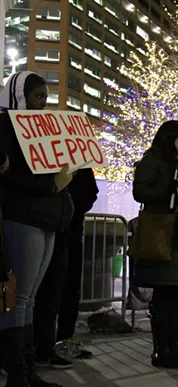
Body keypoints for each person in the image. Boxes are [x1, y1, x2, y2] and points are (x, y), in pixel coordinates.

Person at [0, 71, 74, 386]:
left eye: (45, 97)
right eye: (37, 96)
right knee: (18, 298)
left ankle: (28, 370)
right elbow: (8, 177)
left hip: (45, 221)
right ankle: (18, 373)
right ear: (20, 95)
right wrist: (49, 185)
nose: (42, 103)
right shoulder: (4, 126)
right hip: (22, 218)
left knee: (29, 298)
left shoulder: (42, 130)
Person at [132, 120, 178, 369]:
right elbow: (140, 192)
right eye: (177, 135)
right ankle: (161, 349)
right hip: (163, 231)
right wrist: (165, 188)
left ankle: (173, 346)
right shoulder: (154, 159)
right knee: (164, 292)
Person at [32, 168, 98, 369]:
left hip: (71, 230)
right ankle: (42, 345)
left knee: (69, 289)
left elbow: (91, 192)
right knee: (46, 293)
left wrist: (73, 208)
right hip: (50, 226)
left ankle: (64, 340)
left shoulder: (80, 164)